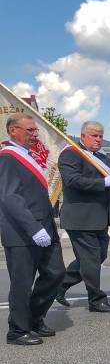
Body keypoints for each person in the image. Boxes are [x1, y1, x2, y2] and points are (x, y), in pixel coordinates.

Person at [0, 114, 65, 345]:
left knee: (56, 273)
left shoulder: (28, 156)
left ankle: (34, 318)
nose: (34, 135)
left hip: (45, 228)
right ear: (13, 130)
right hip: (22, 232)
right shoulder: (8, 157)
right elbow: (10, 197)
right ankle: (17, 330)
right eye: (29, 130)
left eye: (35, 130)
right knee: (22, 283)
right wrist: (33, 228)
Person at [56, 121, 110, 313]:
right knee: (91, 260)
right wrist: (102, 183)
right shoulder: (71, 154)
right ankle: (96, 300)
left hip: (100, 218)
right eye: (94, 135)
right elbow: (73, 180)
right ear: (83, 136)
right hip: (81, 218)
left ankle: (59, 285)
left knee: (97, 257)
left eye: (101, 136)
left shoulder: (102, 157)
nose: (98, 139)